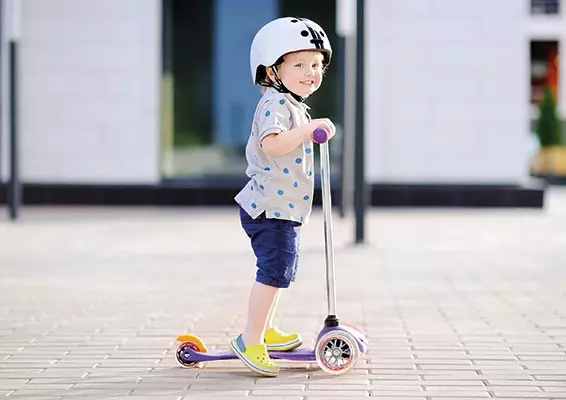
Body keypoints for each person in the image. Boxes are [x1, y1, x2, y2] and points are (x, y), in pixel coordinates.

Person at [231, 17, 336, 377]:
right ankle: (250, 339)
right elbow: (272, 145)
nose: (311, 73)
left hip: (282, 208)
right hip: (269, 209)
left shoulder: (291, 103)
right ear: (272, 70)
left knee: (281, 272)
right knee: (274, 273)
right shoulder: (275, 105)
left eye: (316, 65)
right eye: (300, 65)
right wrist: (309, 129)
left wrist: (309, 126)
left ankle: (266, 330)